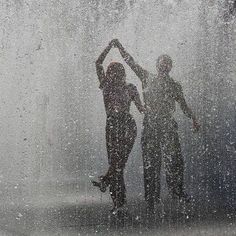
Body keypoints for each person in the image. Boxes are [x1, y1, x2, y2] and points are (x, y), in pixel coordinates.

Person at [112, 39, 200, 212]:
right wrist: (120, 47)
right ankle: (152, 198)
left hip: (168, 126)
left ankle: (177, 191)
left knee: (175, 161)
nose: (165, 64)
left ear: (171, 67)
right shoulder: (146, 77)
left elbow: (183, 105)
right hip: (151, 126)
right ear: (157, 64)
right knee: (151, 162)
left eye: (168, 63)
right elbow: (131, 62)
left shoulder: (175, 86)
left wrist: (194, 118)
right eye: (163, 61)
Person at [92, 40, 145, 214]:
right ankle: (118, 202)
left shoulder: (130, 88)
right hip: (112, 126)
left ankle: (106, 182)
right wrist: (110, 46)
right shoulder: (106, 86)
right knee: (117, 165)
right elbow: (98, 63)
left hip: (127, 125)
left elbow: (141, 108)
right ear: (108, 74)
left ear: (122, 73)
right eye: (110, 72)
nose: (113, 74)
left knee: (118, 162)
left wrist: (149, 109)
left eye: (117, 71)